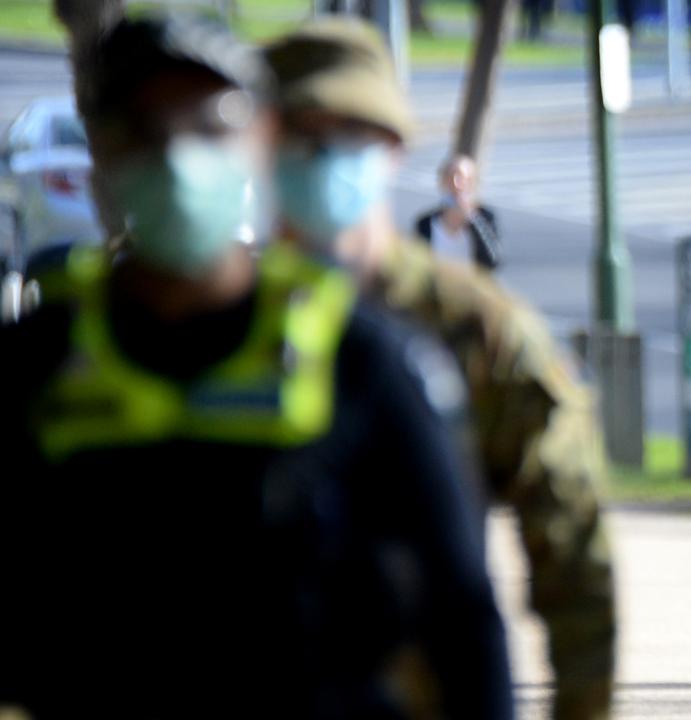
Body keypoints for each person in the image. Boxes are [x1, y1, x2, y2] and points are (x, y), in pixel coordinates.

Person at [0, 15, 513, 719]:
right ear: (103, 154)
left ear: (261, 142)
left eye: (211, 126)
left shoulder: (358, 360)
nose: (177, 157)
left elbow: (461, 617)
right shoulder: (29, 367)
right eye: (144, 129)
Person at [265, 18, 616, 719]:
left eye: (348, 136)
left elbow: (572, 549)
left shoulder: (476, 328)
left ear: (392, 148)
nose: (322, 154)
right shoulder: (208, 322)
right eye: (301, 134)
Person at [413, 154, 502, 270]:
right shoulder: (426, 223)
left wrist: (472, 220)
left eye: (463, 178)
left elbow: (492, 261)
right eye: (450, 177)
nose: (456, 184)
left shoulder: (485, 218)